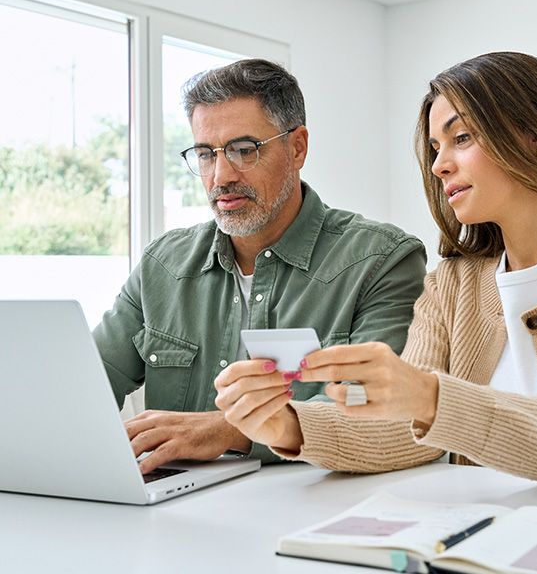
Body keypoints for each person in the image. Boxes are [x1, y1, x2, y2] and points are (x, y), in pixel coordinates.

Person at [215, 52, 537, 486]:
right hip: (472, 537)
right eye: (435, 148)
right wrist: (288, 425)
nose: (439, 165)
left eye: (462, 138)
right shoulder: (452, 285)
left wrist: (430, 397)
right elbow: (406, 429)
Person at [93, 59, 427, 474]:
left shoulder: (382, 260)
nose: (221, 176)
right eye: (205, 154)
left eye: (243, 150)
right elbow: (83, 386)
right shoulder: (163, 264)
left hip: (318, 509)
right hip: (174, 514)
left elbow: (385, 410)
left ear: (298, 147)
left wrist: (231, 429)